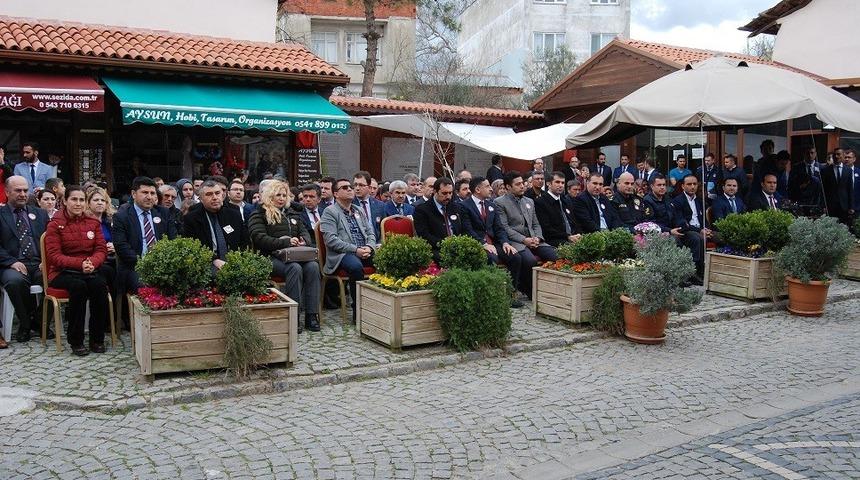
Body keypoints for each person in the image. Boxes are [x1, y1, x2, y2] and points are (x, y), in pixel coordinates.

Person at [44, 185, 110, 356]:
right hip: (61, 272)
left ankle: (97, 339)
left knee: (99, 285)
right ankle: (76, 340)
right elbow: (54, 256)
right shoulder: (55, 224)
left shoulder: (93, 223)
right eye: (74, 199)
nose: (78, 203)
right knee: (78, 287)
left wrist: (92, 263)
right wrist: (80, 264)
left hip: (89, 269)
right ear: (65, 201)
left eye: (81, 200)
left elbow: (101, 249)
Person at [248, 180, 321, 332]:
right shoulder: (259, 213)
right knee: (294, 268)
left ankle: (311, 315)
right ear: (270, 196)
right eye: (278, 195)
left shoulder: (292, 213)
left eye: (284, 195)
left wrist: (303, 240)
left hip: (295, 255)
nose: (281, 198)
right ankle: (294, 316)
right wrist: (285, 242)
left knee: (313, 266)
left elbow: (305, 233)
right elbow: (259, 238)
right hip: (268, 257)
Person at [0, 176, 51, 344]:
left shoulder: (40, 213)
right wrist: (11, 262)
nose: (23, 194)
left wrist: (47, 260)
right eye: (18, 190)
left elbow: (51, 240)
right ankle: (25, 323)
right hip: (11, 264)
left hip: (39, 263)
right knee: (15, 282)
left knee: (55, 279)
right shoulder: (1, 214)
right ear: (7, 192)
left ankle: (39, 320)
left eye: (25, 190)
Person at [319, 178, 377, 322]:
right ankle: (358, 313)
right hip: (342, 254)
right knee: (356, 267)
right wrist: (355, 249)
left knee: (385, 261)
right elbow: (331, 240)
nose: (350, 189)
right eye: (345, 188)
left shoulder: (358, 210)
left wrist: (369, 247)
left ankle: (379, 308)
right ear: (336, 194)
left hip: (364, 250)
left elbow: (370, 233)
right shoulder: (330, 212)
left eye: (350, 186)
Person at [460, 176, 523, 307]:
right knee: (491, 258)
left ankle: (510, 295)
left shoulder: (491, 205)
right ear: (478, 189)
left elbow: (499, 228)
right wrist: (483, 244)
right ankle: (491, 297)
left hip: (494, 243)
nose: (490, 189)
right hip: (476, 243)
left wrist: (505, 243)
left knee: (515, 256)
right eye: (487, 186)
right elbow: (467, 230)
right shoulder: (464, 206)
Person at [494, 171, 557, 299]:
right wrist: (524, 240)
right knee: (530, 260)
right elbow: (505, 227)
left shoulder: (529, 201)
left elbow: (536, 224)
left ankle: (551, 290)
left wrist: (538, 238)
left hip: (534, 239)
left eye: (522, 183)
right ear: (508, 187)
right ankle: (529, 290)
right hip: (515, 241)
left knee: (555, 255)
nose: (522, 186)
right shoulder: (499, 202)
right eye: (518, 184)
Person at [113, 176, 178, 297]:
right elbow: (122, 247)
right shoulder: (122, 216)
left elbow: (173, 240)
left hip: (163, 264)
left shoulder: (163, 213)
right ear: (133, 194)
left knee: (182, 281)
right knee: (144, 286)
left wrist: (164, 262)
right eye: (145, 192)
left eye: (152, 193)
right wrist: (146, 263)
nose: (149, 197)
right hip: (135, 266)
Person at [183, 180, 249, 271]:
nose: (214, 197)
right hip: (207, 263)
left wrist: (239, 260)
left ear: (222, 195)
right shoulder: (192, 218)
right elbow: (192, 247)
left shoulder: (234, 215)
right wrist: (213, 260)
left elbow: (245, 242)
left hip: (235, 262)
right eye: (209, 194)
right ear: (201, 199)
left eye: (217, 193)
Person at [414, 177, 464, 262]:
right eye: (444, 193)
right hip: (436, 248)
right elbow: (424, 235)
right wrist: (445, 244)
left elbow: (464, 228)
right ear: (435, 191)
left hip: (457, 246)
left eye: (450, 193)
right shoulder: (422, 210)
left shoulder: (456, 208)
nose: (448, 196)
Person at [671, 175, 711, 280]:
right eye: (689, 184)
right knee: (697, 238)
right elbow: (682, 223)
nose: (692, 187)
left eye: (695, 184)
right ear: (683, 186)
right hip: (687, 231)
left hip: (701, 229)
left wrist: (706, 228)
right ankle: (694, 271)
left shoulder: (700, 200)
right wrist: (700, 230)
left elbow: (704, 219)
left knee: (721, 236)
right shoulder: (678, 201)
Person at [536, 171, 581, 247]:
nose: (560, 185)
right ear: (548, 184)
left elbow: (574, 222)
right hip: (555, 240)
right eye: (557, 182)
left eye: (562, 183)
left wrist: (578, 234)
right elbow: (546, 229)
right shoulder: (541, 202)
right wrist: (567, 237)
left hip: (572, 237)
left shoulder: (566, 200)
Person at [352, 171, 385, 240]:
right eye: (355, 185)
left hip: (376, 243)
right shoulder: (350, 204)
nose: (357, 188)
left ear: (369, 187)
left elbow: (383, 229)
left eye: (361, 185)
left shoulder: (380, 205)